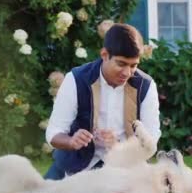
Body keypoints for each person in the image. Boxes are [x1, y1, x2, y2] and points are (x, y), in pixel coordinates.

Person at [44, 23, 161, 180]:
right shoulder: (76, 79)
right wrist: (71, 141)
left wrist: (119, 146)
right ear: (104, 55)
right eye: (121, 64)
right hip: (74, 166)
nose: (127, 72)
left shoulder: (146, 86)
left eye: (133, 65)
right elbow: (54, 132)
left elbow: (151, 140)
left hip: (124, 169)